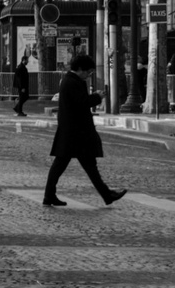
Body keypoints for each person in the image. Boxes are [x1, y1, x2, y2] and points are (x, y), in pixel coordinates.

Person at [43, 53, 126, 208]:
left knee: (69, 165)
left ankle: (49, 195)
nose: (89, 75)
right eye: (88, 72)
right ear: (80, 69)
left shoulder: (71, 80)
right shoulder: (72, 82)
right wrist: (97, 96)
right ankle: (107, 194)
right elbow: (81, 103)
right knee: (79, 165)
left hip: (73, 131)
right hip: (76, 132)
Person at [14, 52, 31, 117]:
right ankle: (19, 111)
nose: (27, 62)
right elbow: (20, 79)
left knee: (25, 97)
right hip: (22, 86)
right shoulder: (20, 67)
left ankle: (17, 108)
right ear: (23, 60)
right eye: (27, 60)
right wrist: (22, 87)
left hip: (24, 86)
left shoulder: (22, 67)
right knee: (22, 98)